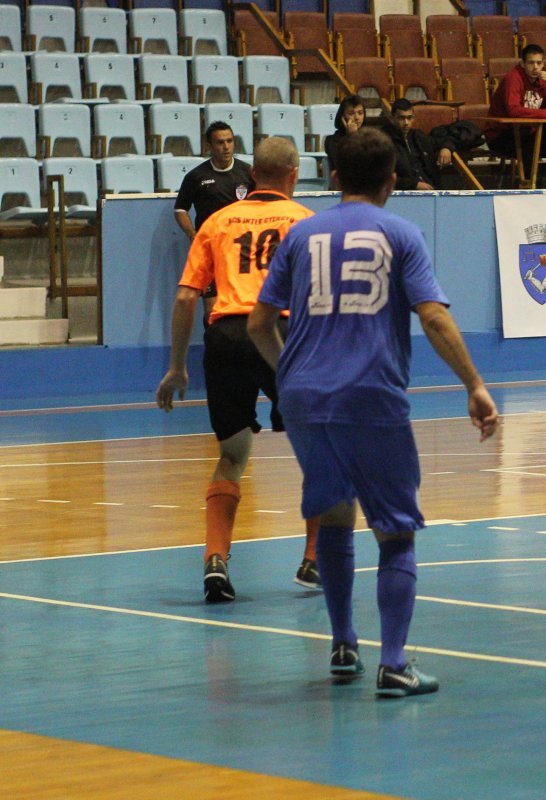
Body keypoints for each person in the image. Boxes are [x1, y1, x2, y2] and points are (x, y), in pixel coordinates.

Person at [247, 128, 499, 697]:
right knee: (395, 531)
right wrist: (474, 385)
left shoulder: (300, 234)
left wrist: (290, 374)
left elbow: (259, 325)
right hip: (370, 395)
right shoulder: (401, 234)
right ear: (392, 181)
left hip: (305, 399)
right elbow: (433, 317)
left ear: (335, 177)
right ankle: (393, 664)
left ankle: (342, 645)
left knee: (334, 517)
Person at [157, 137, 322, 600]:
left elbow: (186, 297)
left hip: (226, 336)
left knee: (232, 454)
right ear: (293, 175)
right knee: (318, 451)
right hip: (281, 334)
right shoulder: (305, 222)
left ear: (251, 175)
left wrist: (177, 367)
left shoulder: (218, 221)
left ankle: (215, 560)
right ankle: (313, 559)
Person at [173, 121, 255, 322]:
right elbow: (180, 209)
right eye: (220, 142)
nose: (226, 147)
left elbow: (261, 204)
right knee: (212, 310)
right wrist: (192, 234)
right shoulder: (196, 177)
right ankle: (213, 342)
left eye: (230, 141)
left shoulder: (248, 173)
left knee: (245, 305)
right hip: (211, 250)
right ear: (209, 145)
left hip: (242, 250)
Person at [485, 44, 546, 178]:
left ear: (543, 64)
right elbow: (514, 111)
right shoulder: (513, 78)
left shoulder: (543, 81)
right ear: (522, 64)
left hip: (528, 132)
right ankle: (529, 185)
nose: (535, 67)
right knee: (531, 146)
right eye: (531, 63)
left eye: (539, 63)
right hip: (502, 135)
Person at [382, 99, 452, 191]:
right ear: (392, 118)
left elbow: (443, 140)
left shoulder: (418, 136)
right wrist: (414, 185)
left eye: (409, 118)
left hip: (432, 190)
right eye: (401, 118)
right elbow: (381, 177)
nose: (406, 123)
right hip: (404, 193)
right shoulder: (383, 141)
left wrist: (446, 148)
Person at [324, 94, 365, 181]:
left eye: (360, 113)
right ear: (342, 117)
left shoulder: (369, 138)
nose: (357, 117)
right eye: (351, 113)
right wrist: (352, 137)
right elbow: (342, 166)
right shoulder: (332, 141)